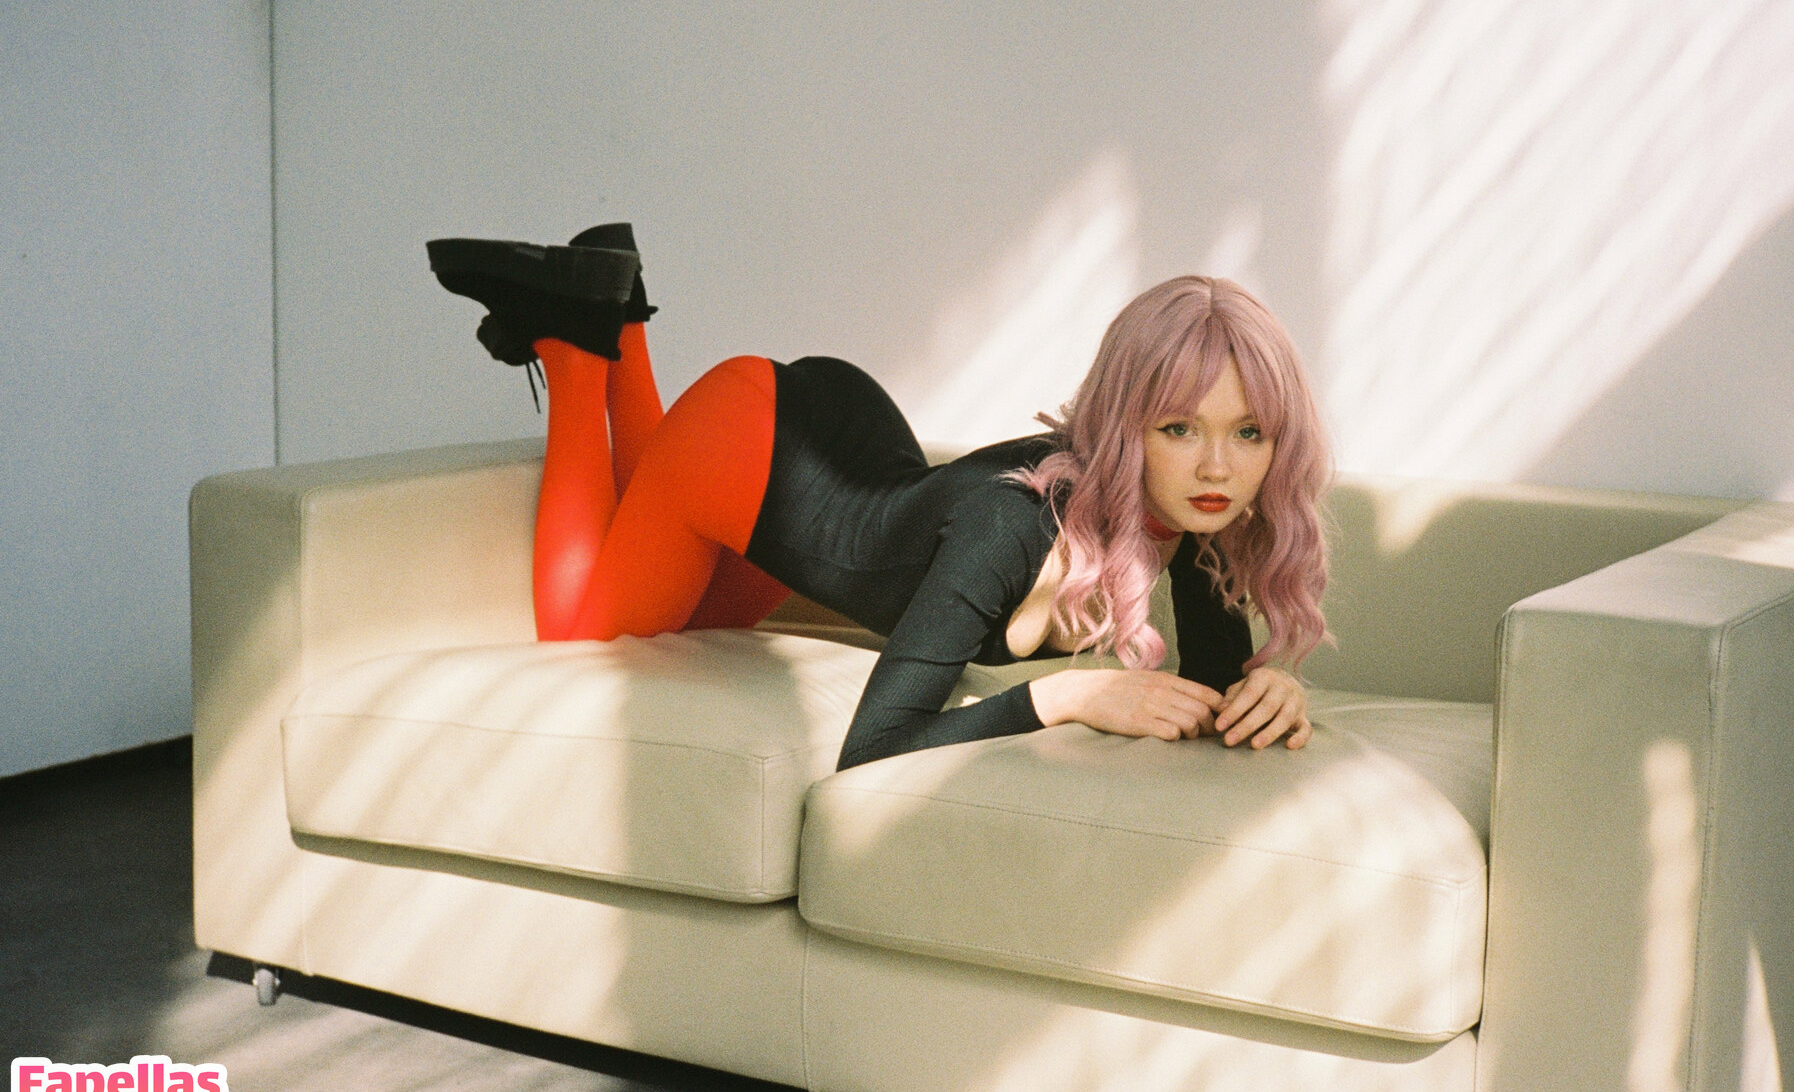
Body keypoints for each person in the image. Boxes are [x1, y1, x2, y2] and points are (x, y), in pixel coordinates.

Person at [428, 224, 1333, 770]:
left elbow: (1212, 688)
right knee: (584, 633)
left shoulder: (1197, 513)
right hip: (743, 448)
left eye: (1248, 433)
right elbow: (876, 743)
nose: (1218, 467)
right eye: (1180, 428)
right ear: (1127, 420)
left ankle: (619, 311)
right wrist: (1069, 698)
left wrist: (1273, 689)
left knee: (670, 617)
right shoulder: (1013, 525)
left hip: (821, 458)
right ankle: (576, 345)